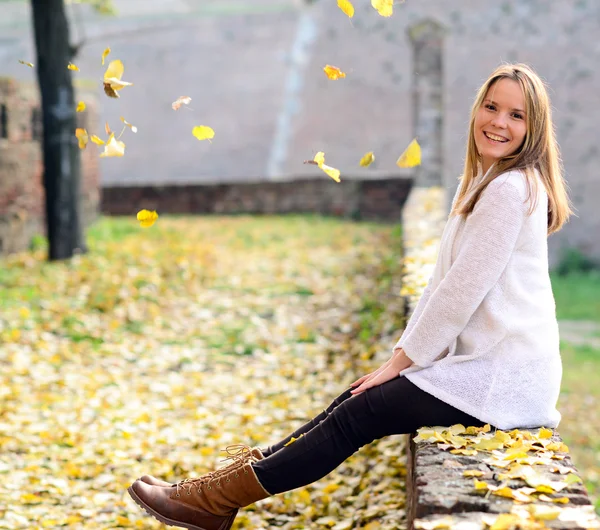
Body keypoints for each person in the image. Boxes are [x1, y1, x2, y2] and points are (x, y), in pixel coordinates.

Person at [127, 62, 574, 530]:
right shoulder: (483, 182)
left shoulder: (509, 189)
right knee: (352, 399)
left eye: (516, 116)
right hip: (485, 368)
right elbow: (441, 282)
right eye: (491, 107)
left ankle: (214, 500)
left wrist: (401, 363)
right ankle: (212, 494)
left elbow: (458, 296)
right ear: (477, 110)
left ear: (534, 129)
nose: (499, 123)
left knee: (359, 413)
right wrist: (401, 357)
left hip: (502, 381)